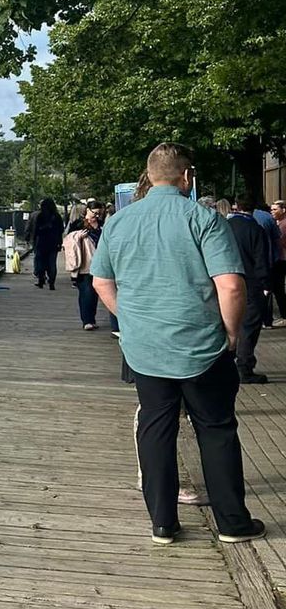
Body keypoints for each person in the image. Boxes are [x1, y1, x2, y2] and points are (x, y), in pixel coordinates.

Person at [91, 142, 264, 545]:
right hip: (202, 345)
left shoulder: (118, 223)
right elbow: (232, 285)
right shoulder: (202, 219)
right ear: (186, 176)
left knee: (155, 428)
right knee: (216, 428)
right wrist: (231, 334)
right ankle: (232, 523)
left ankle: (163, 523)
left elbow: (101, 282)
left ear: (150, 176)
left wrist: (131, 320)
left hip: (145, 347)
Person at [228, 197, 273, 383]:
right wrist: (266, 285)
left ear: (237, 206)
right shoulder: (255, 229)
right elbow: (261, 259)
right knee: (249, 328)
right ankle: (245, 368)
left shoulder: (227, 226)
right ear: (254, 209)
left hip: (228, 279)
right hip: (252, 284)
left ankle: (227, 365)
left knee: (229, 325)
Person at [64, 206, 103, 328]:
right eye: (94, 212)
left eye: (98, 213)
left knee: (94, 293)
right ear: (87, 210)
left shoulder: (101, 225)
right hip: (84, 264)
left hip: (98, 262)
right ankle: (87, 320)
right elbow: (68, 240)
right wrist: (78, 236)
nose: (96, 215)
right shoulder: (78, 224)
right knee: (86, 292)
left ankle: (91, 318)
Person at [27, 197, 64, 291]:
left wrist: (33, 240)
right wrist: (60, 242)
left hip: (41, 242)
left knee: (41, 262)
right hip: (53, 243)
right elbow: (61, 230)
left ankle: (41, 279)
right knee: (52, 263)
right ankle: (52, 282)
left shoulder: (40, 216)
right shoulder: (57, 216)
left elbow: (36, 230)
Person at [273, 201, 286, 323]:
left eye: (275, 209)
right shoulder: (277, 223)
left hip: (283, 259)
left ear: (283, 210)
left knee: (279, 288)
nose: (273, 212)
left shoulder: (283, 224)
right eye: (272, 209)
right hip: (280, 258)